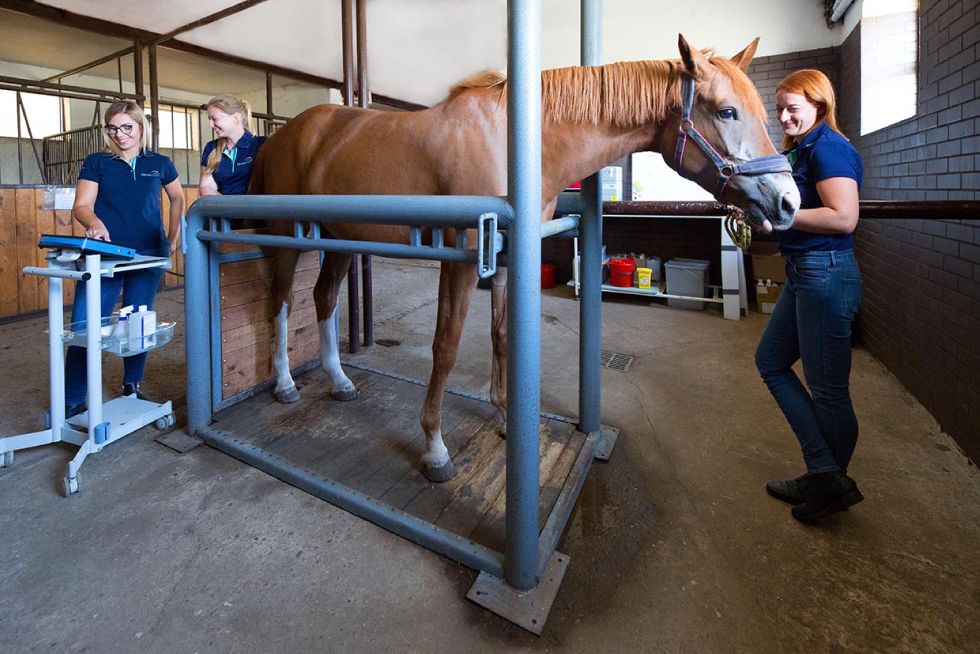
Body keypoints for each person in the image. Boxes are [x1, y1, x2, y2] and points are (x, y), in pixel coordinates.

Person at [754, 69, 865, 523]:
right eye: (779, 108)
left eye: (792, 108)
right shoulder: (800, 149)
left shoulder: (831, 148)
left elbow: (843, 218)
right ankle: (825, 472)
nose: (783, 116)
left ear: (819, 105)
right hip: (804, 272)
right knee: (770, 361)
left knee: (828, 391)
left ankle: (826, 480)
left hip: (826, 273)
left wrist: (781, 219)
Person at [66, 100, 184, 415]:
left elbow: (177, 197)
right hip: (104, 255)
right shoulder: (97, 162)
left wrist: (173, 236)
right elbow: (81, 205)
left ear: (141, 128)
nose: (120, 134)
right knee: (84, 325)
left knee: (137, 321)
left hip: (148, 255)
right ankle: (73, 399)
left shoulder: (159, 162)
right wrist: (94, 223)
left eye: (127, 127)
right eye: (113, 128)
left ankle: (132, 385)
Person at [199, 94, 266, 197]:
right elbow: (206, 185)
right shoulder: (211, 147)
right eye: (209, 119)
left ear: (235, 118)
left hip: (256, 209)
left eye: (214, 119)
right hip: (225, 210)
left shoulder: (260, 145)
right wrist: (213, 208)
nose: (211, 125)